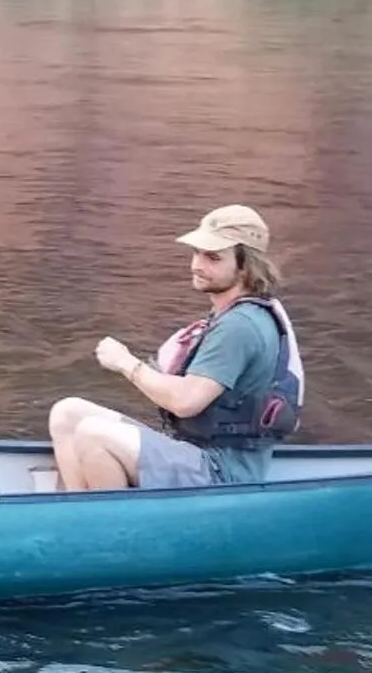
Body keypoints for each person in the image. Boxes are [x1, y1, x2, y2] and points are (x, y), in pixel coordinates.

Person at [46, 204, 303, 493]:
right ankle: (78, 513)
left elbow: (186, 402)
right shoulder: (233, 316)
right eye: (196, 252)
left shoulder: (240, 326)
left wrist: (126, 364)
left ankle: (115, 530)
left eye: (212, 257)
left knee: (93, 435)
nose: (197, 265)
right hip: (192, 452)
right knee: (67, 414)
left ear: (245, 266)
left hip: (222, 471)